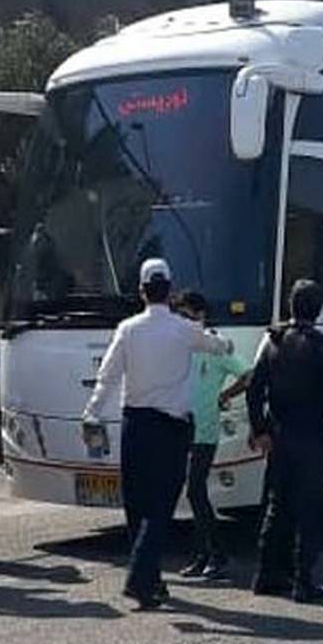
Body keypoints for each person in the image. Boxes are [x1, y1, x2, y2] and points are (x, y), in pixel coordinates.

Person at [81, 259, 232, 611]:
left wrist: (92, 413)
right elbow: (221, 346)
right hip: (172, 428)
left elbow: (107, 376)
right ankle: (141, 579)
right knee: (161, 507)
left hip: (135, 425)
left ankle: (150, 581)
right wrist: (219, 339)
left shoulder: (127, 329)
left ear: (141, 291)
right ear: (170, 290)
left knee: (137, 504)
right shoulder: (184, 329)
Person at [247, 279, 323, 603]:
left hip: (280, 435)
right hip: (313, 436)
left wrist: (260, 428)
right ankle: (303, 579)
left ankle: (267, 573)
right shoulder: (322, 346)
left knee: (277, 505)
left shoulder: (274, 342)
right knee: (311, 509)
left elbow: (254, 390)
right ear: (318, 310)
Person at [173, 291, 250, 581]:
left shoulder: (215, 344)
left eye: (187, 315)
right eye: (179, 315)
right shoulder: (180, 346)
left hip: (205, 431)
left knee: (195, 491)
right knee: (193, 494)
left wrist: (225, 395)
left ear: (201, 315)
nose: (183, 321)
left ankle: (216, 554)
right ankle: (203, 555)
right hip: (182, 428)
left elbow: (248, 374)